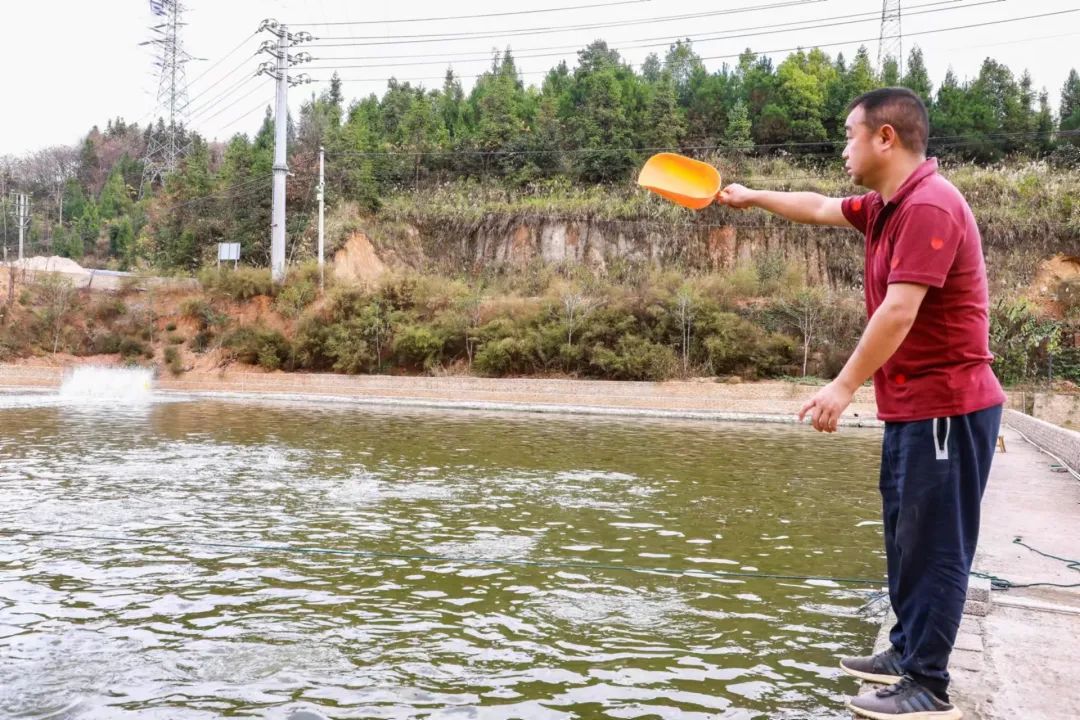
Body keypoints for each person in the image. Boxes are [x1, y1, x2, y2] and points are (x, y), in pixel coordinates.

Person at [717, 87, 1006, 720]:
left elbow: (900, 311)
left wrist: (843, 385)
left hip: (948, 409)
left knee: (936, 546)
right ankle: (905, 651)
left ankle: (928, 686)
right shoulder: (884, 206)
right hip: (912, 406)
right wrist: (750, 195)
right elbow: (818, 206)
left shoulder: (930, 205)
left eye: (850, 134)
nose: (843, 146)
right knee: (905, 539)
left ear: (886, 139)